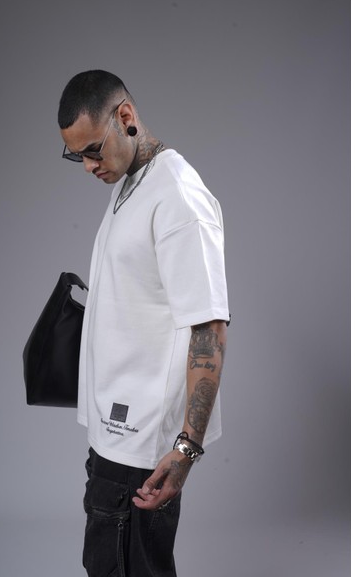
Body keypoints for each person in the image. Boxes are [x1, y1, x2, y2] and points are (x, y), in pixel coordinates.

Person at [58, 69, 230, 577]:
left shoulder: (177, 197)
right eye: (76, 155)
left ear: (126, 117)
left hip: (141, 445)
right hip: (115, 436)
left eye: (93, 150)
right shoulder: (132, 182)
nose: (89, 166)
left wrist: (186, 449)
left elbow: (208, 329)